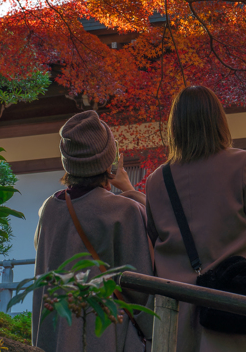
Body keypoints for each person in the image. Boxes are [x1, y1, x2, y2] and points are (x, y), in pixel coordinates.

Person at [144, 85, 246, 352]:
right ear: (218, 121)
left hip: (174, 316)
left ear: (175, 127)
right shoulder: (242, 163)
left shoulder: (156, 181)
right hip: (229, 307)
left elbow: (153, 239)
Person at [32, 111, 154, 352]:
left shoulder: (49, 209)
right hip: (109, 333)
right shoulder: (125, 211)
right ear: (110, 161)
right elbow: (144, 289)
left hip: (57, 333)